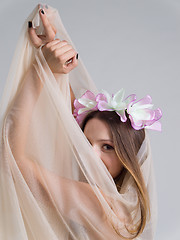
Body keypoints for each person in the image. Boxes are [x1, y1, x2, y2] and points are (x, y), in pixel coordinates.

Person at [0, 4, 161, 239]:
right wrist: (54, 50)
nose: (91, 156)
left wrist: (39, 69)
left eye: (107, 147)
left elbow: (12, 162)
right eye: (87, 143)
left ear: (129, 155)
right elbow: (70, 117)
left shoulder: (99, 203)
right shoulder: (129, 203)